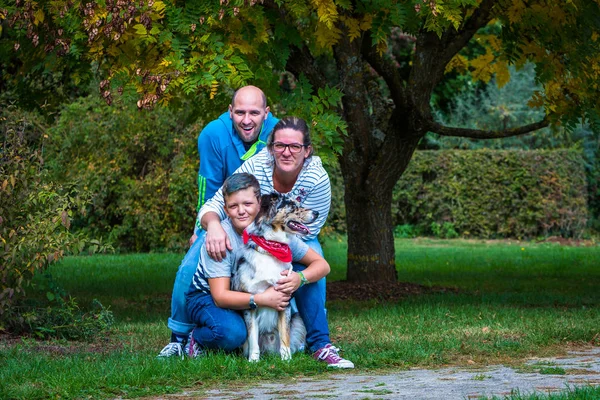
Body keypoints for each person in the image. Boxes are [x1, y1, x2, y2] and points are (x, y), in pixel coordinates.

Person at [157, 85, 278, 358]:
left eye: (254, 113)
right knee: (192, 260)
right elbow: (207, 187)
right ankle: (179, 337)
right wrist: (203, 227)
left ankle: (312, 339)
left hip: (261, 213)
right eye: (241, 112)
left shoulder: (278, 133)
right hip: (220, 211)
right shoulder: (212, 134)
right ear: (230, 111)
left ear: (266, 114)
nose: (247, 120)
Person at [186, 172, 353, 368]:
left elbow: (322, 265)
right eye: (233, 206)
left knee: (305, 273)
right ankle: (196, 338)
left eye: (247, 204)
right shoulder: (221, 237)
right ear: (226, 209)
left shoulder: (276, 233)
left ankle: (320, 344)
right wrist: (262, 299)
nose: (241, 211)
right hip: (208, 298)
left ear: (260, 205)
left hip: (240, 300)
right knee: (232, 333)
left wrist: (299, 278)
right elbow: (220, 296)